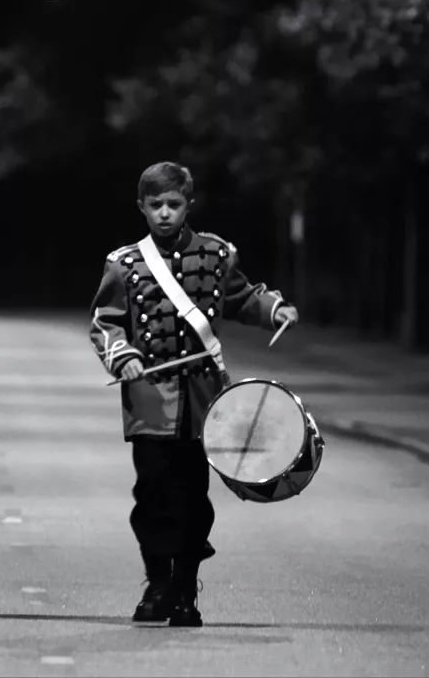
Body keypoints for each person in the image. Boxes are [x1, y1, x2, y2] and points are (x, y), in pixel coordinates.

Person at [87, 160, 298, 627]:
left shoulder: (217, 254)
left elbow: (241, 298)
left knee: (193, 498)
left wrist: (274, 309)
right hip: (149, 399)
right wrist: (123, 356)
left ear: (189, 205)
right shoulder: (124, 264)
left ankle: (185, 588)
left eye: (174, 204)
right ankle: (157, 582)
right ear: (141, 207)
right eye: (156, 204)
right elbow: (105, 322)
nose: (165, 213)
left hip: (205, 400)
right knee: (152, 494)